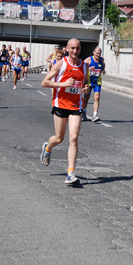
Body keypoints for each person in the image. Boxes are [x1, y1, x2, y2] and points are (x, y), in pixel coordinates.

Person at [40, 38, 91, 185]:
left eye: (78, 48)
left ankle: (70, 173)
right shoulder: (61, 63)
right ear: (67, 49)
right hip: (61, 104)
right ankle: (48, 147)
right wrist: (63, 84)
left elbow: (85, 81)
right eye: (72, 48)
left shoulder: (84, 66)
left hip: (76, 105)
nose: (75, 51)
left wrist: (86, 87)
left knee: (74, 138)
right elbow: (44, 82)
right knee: (59, 138)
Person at [83, 46, 106, 122]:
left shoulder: (102, 60)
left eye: (99, 53)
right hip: (89, 81)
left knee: (97, 97)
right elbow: (81, 68)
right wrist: (89, 69)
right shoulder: (88, 60)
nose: (98, 55)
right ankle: (83, 111)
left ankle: (94, 115)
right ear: (93, 52)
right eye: (97, 53)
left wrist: (103, 70)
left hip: (97, 81)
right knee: (86, 97)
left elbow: (103, 66)